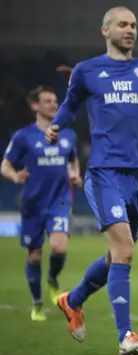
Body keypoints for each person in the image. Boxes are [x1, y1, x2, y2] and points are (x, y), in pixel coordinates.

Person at [45, 6, 138, 355]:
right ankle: (125, 335)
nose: (130, 30)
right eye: (123, 24)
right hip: (105, 173)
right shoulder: (87, 71)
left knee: (115, 255)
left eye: (134, 25)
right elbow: (70, 106)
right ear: (105, 30)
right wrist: (56, 124)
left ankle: (73, 300)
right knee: (125, 252)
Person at [1, 86, 81, 320]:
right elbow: (5, 165)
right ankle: (37, 303)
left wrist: (75, 174)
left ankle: (53, 279)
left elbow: (73, 160)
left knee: (59, 247)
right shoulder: (23, 136)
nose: (53, 105)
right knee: (34, 255)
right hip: (33, 204)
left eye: (55, 101)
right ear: (34, 105)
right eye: (47, 101)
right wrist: (15, 176)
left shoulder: (68, 134)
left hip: (60, 200)